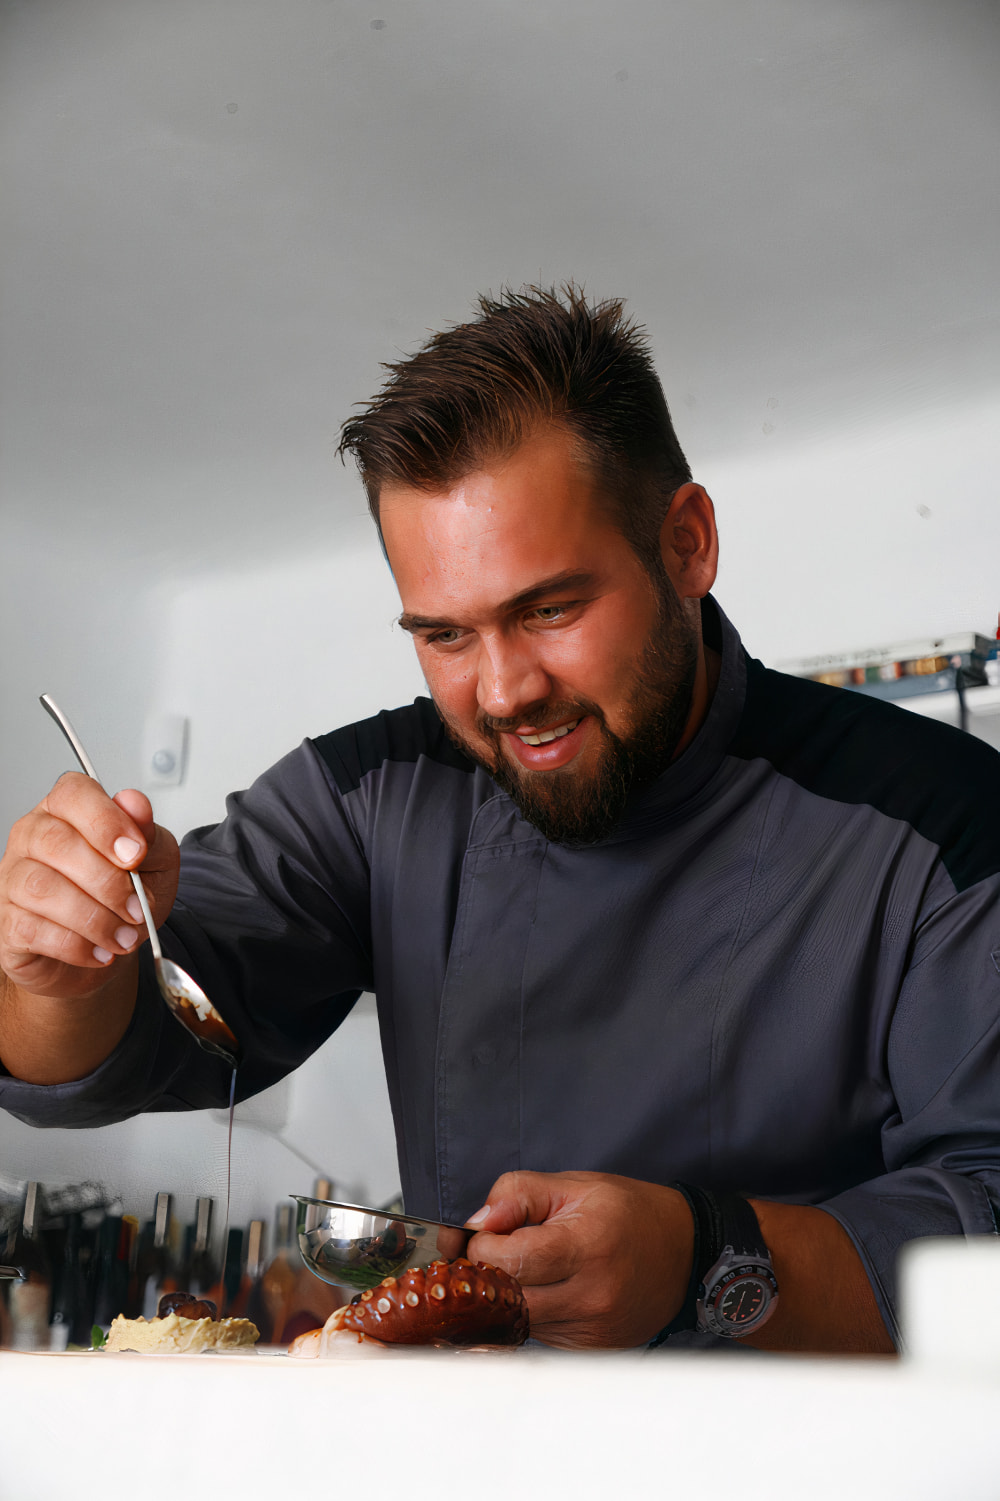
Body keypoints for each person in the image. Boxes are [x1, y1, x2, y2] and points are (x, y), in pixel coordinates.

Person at [1, 287, 998, 1354]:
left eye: (549, 609)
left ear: (688, 544)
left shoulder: (940, 819)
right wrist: (57, 969)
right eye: (443, 635)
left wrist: (706, 1261)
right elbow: (123, 1043)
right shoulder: (368, 795)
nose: (505, 689)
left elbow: (985, 1218)